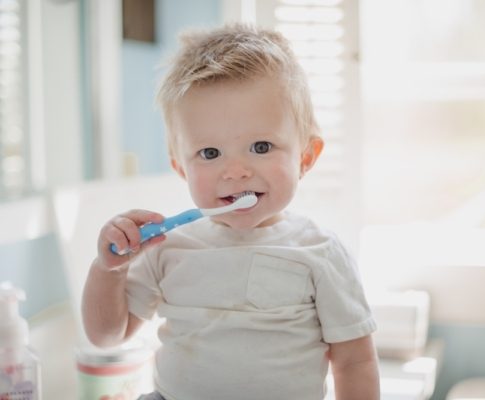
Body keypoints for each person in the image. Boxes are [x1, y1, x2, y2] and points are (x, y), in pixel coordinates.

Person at [82, 24, 379, 400]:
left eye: (261, 146)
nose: (236, 170)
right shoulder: (167, 246)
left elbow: (354, 361)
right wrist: (109, 270)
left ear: (305, 157)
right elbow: (106, 336)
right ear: (181, 168)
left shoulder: (320, 251)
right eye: (210, 153)